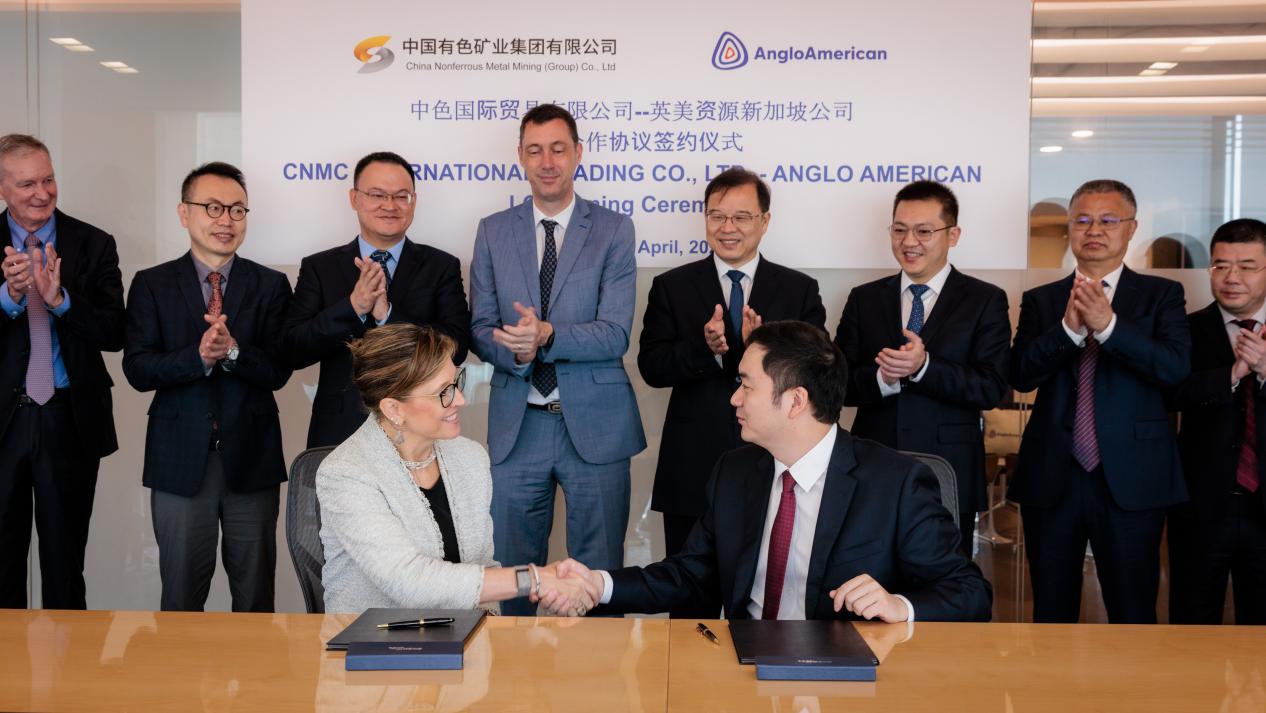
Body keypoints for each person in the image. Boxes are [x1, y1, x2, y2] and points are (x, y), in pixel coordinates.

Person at [547, 321, 992, 622]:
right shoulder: (735, 471)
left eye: (746, 384)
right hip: (745, 670)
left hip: (844, 680)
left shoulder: (895, 483)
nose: (734, 399)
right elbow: (688, 575)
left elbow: (969, 592)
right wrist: (598, 584)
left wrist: (900, 605)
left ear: (795, 401)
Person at [469, 104, 645, 615]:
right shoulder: (493, 231)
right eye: (535, 150)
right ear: (520, 157)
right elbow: (479, 327)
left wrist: (545, 336)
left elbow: (614, 334)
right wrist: (517, 351)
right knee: (513, 579)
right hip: (518, 424)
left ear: (578, 153)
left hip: (596, 426)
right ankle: (516, 669)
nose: (547, 162)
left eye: (558, 149)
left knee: (597, 579)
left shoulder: (613, 229)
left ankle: (596, 669)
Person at [638, 167, 824, 617]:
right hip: (692, 465)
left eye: (742, 217)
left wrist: (766, 348)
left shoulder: (798, 289)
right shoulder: (672, 286)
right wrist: (707, 350)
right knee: (689, 602)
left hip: (774, 465)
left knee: (767, 598)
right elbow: (652, 367)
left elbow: (817, 370)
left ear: (765, 221)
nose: (728, 228)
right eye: (717, 216)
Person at [318, 323, 596, 615]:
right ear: (394, 409)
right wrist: (535, 579)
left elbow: (484, 568)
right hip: (369, 640)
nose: (461, 400)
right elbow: (409, 581)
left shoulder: (470, 457)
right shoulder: (345, 473)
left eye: (457, 382)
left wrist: (490, 631)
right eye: (444, 392)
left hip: (459, 637)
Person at [1010, 179, 1190, 624]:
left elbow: (1173, 369)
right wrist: (1068, 332)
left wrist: (1108, 326)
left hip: (1133, 475)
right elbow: (1020, 375)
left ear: (1131, 228)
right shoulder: (1042, 300)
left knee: (1133, 610)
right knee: (1051, 611)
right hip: (1053, 473)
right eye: (1083, 220)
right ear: (1070, 228)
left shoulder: (1162, 295)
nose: (1094, 230)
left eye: (1108, 220)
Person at [122, 162, 294, 612]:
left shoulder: (271, 285)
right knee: (180, 600)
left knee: (255, 600)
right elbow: (137, 369)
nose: (226, 220)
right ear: (184, 213)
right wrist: (197, 358)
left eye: (237, 209)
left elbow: (279, 369)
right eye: (213, 207)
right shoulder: (152, 284)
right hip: (179, 462)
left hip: (251, 461)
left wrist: (233, 351)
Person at [834, 180, 1010, 556]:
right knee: (867, 573)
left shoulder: (985, 300)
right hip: (872, 465)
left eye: (924, 231)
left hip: (948, 470)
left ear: (953, 235)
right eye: (899, 230)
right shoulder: (864, 299)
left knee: (943, 575)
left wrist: (924, 366)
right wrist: (883, 378)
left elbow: (991, 387)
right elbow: (837, 384)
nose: (909, 241)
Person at [0, 134, 125, 609]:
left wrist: (61, 301)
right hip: (3, 422)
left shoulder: (94, 243)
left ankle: (69, 657)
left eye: (48, 179)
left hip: (68, 419)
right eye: (27, 184)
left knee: (65, 565)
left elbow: (115, 331)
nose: (42, 193)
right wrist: (9, 297)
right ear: (2, 188)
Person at [284, 151, 470, 449]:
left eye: (401, 196)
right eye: (377, 195)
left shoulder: (441, 266)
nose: (389, 205)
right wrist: (353, 309)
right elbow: (293, 349)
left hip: (420, 432)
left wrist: (388, 315)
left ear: (413, 201)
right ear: (354, 198)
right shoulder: (320, 267)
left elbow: (456, 348)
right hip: (340, 430)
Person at [1167, 218, 1266, 625]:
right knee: (1191, 624)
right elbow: (1168, 392)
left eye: (1247, 266)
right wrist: (1231, 375)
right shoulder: (1184, 330)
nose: (1232, 277)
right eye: (1221, 265)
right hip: (1200, 505)